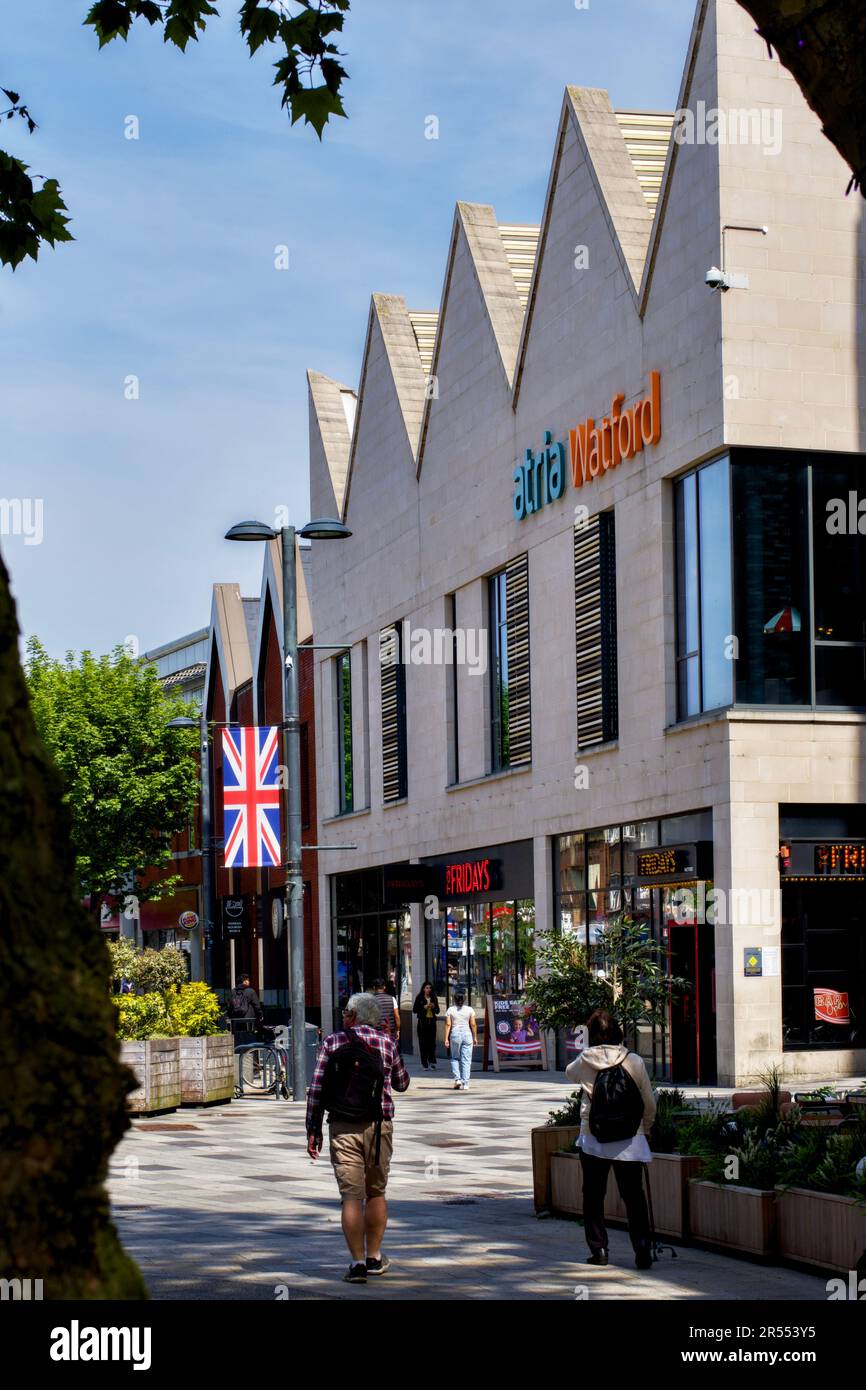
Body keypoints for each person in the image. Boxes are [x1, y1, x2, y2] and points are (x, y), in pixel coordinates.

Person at [306, 992, 410, 1284]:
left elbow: (316, 1089)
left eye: (345, 1012)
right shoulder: (387, 1042)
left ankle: (356, 1264)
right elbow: (402, 1083)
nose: (342, 1017)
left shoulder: (332, 1042)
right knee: (376, 1192)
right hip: (379, 1126)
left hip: (343, 1126)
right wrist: (393, 1047)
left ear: (352, 1014)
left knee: (351, 1197)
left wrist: (313, 1129)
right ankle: (374, 1257)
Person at [565, 1008, 656, 1270]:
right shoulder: (634, 1060)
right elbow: (649, 1102)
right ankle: (642, 1249)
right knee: (634, 1196)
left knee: (593, 1194)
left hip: (594, 1137)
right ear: (617, 1031)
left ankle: (599, 1249)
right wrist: (645, 1127)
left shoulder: (584, 1061)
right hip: (630, 1138)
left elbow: (569, 1074)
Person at [444, 991, 477, 1090]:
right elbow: (473, 1024)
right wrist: (475, 1037)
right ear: (464, 999)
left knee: (455, 1058)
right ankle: (466, 1083)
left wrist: (446, 1038)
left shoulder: (450, 1010)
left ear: (454, 999)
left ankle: (457, 1079)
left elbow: (448, 1024)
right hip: (467, 1034)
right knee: (466, 1060)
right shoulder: (470, 1010)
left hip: (455, 1034)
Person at [412, 981, 440, 1069]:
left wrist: (434, 1006)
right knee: (423, 1043)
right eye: (427, 988)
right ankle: (424, 1063)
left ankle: (432, 1061)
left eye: (430, 988)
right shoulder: (419, 997)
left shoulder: (433, 998)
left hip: (432, 1023)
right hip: (422, 1023)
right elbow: (414, 1010)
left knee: (432, 1043)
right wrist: (423, 1007)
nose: (429, 990)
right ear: (423, 989)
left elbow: (438, 1011)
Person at [371, 977, 400, 1043]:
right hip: (390, 1032)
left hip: (376, 1032)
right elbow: (397, 1016)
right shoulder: (392, 998)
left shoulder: (371, 999)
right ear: (384, 987)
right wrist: (398, 1030)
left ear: (374, 987)